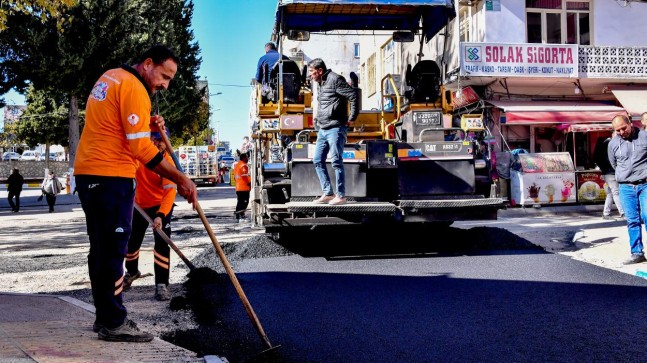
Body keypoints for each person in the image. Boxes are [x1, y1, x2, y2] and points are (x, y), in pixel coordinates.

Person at [73, 45, 198, 343]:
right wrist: (181, 178)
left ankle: (104, 316)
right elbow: (140, 149)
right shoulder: (134, 87)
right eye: (164, 76)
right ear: (147, 63)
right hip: (111, 176)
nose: (165, 84)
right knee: (114, 250)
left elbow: (117, 128)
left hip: (87, 172)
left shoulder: (110, 77)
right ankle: (115, 322)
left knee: (100, 249)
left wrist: (150, 127)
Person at [124, 130, 177, 301]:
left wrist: (161, 215)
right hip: (138, 206)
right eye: (153, 139)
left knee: (162, 244)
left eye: (160, 140)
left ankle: (162, 284)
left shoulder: (168, 163)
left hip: (161, 207)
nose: (157, 143)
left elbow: (169, 193)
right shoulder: (139, 157)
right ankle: (132, 272)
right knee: (131, 242)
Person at [308, 58, 358, 205]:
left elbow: (353, 96)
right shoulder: (321, 84)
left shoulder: (335, 79)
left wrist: (352, 117)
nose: (310, 75)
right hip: (323, 129)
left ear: (320, 71)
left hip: (336, 127)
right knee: (317, 160)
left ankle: (341, 196)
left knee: (336, 161)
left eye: (312, 72)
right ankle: (328, 193)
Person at [609, 114, 647, 265]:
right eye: (617, 130)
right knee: (632, 220)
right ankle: (637, 252)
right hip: (625, 187)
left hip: (645, 184)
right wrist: (624, 175)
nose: (621, 132)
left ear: (630, 123)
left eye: (623, 128)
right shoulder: (613, 144)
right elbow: (614, 164)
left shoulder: (644, 137)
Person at [593, 135, 624, 220]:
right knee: (616, 192)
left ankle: (606, 213)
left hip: (606, 172)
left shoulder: (602, 144)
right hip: (611, 171)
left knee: (611, 193)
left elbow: (596, 158)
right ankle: (623, 212)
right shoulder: (611, 144)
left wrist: (603, 168)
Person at [234, 152, 251, 222]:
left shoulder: (237, 165)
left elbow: (236, 177)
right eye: (247, 157)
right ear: (244, 158)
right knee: (245, 202)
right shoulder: (243, 166)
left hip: (238, 187)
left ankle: (239, 214)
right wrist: (249, 183)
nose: (248, 158)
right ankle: (240, 214)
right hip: (244, 187)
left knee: (240, 202)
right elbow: (245, 176)